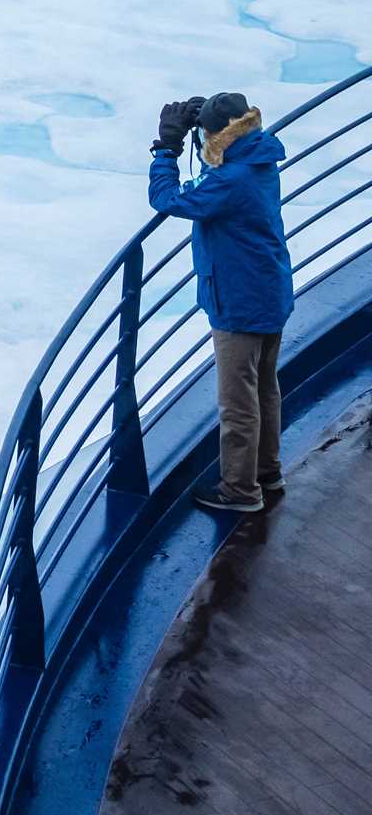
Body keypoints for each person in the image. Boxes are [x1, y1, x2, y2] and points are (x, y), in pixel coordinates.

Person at [149, 92, 295, 513]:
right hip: (268, 292)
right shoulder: (258, 160)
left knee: (238, 402)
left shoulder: (230, 181)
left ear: (218, 138)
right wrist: (208, 123)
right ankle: (268, 472)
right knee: (265, 387)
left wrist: (165, 150)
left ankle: (240, 491)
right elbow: (217, 174)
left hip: (239, 303)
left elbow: (169, 199)